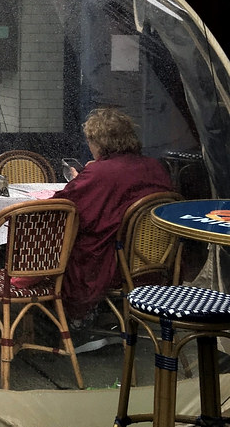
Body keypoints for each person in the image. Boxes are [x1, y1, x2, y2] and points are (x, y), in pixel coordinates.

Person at [50, 107, 174, 319]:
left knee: (57, 245)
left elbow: (62, 208)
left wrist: (81, 179)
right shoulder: (156, 167)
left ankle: (69, 321)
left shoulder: (100, 173)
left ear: (97, 142)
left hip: (111, 266)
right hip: (156, 264)